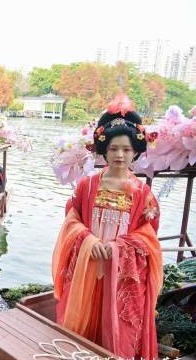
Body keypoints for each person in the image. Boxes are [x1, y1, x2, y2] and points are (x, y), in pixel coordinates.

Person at [52, 96, 162, 359]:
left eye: (126, 149)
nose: (120, 155)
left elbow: (148, 237)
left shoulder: (143, 193)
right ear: (104, 150)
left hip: (122, 271)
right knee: (83, 321)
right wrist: (88, 240)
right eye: (113, 149)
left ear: (135, 150)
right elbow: (71, 221)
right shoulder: (86, 186)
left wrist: (116, 248)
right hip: (87, 265)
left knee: (118, 328)